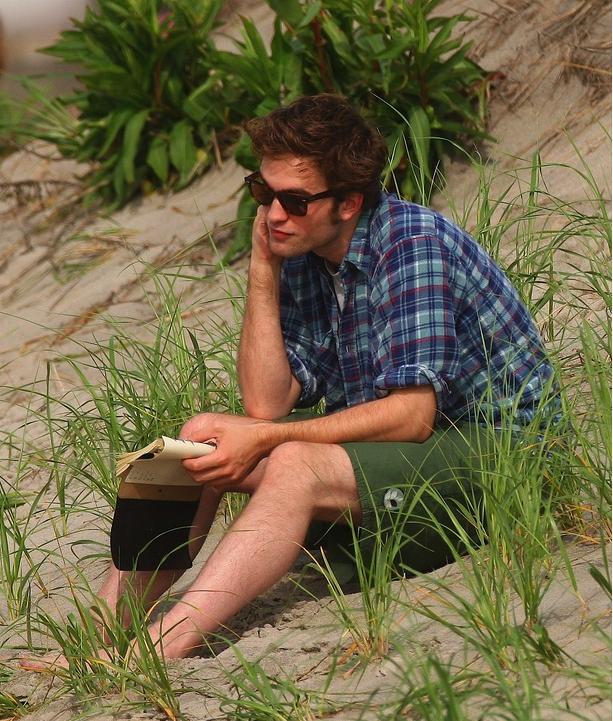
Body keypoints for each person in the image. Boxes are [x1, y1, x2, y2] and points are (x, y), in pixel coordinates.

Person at [28, 94, 560, 666]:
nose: (274, 214)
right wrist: (263, 267)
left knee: (294, 463)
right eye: (264, 193)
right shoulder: (306, 253)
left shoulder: (410, 245)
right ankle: (102, 633)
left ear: (348, 202)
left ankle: (159, 649)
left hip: (507, 463)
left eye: (295, 201)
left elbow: (412, 415)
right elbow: (266, 403)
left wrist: (271, 438)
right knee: (201, 439)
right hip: (416, 460)